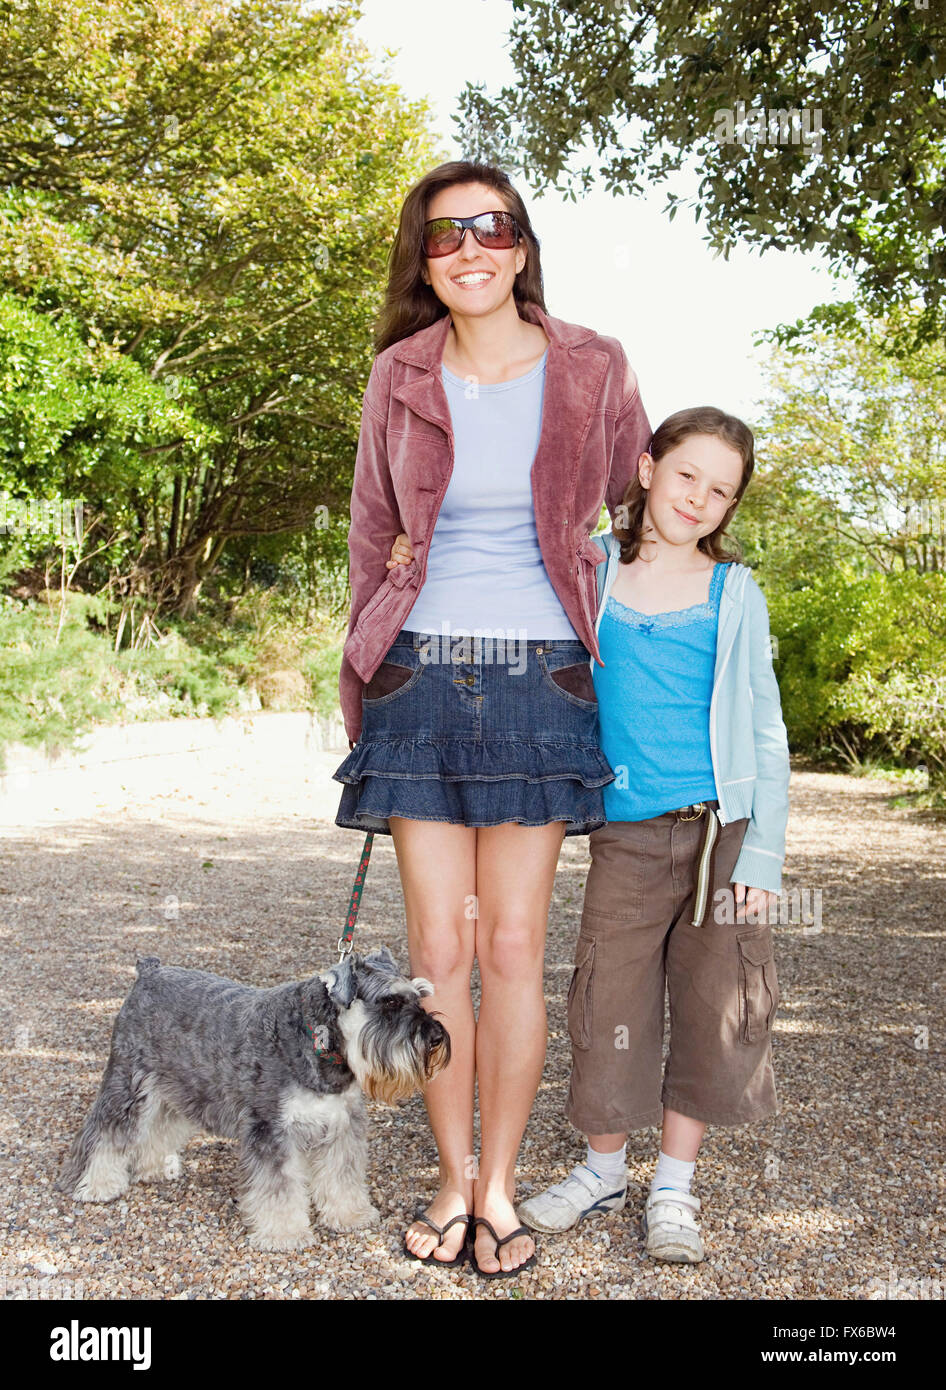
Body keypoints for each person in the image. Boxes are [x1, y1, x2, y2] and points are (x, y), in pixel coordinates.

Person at [332, 160, 651, 1276]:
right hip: (418, 675)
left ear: (519, 244)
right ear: (423, 262)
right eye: (442, 236)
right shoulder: (398, 373)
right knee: (438, 950)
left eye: (489, 227)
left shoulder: (592, 365)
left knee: (513, 946)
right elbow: (373, 535)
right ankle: (450, 1182)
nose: (467, 248)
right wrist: (364, 665)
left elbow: (637, 507)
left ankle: (503, 1183)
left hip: (543, 677)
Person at [389, 405, 790, 1265]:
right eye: (686, 476)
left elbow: (765, 726)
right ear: (645, 470)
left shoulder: (734, 592)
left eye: (721, 491)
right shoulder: (589, 568)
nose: (699, 499)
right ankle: (603, 1167)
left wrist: (763, 852)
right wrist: (404, 549)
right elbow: (490, 577)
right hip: (629, 833)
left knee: (717, 1004)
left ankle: (674, 1187)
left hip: (725, 827)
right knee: (608, 1001)